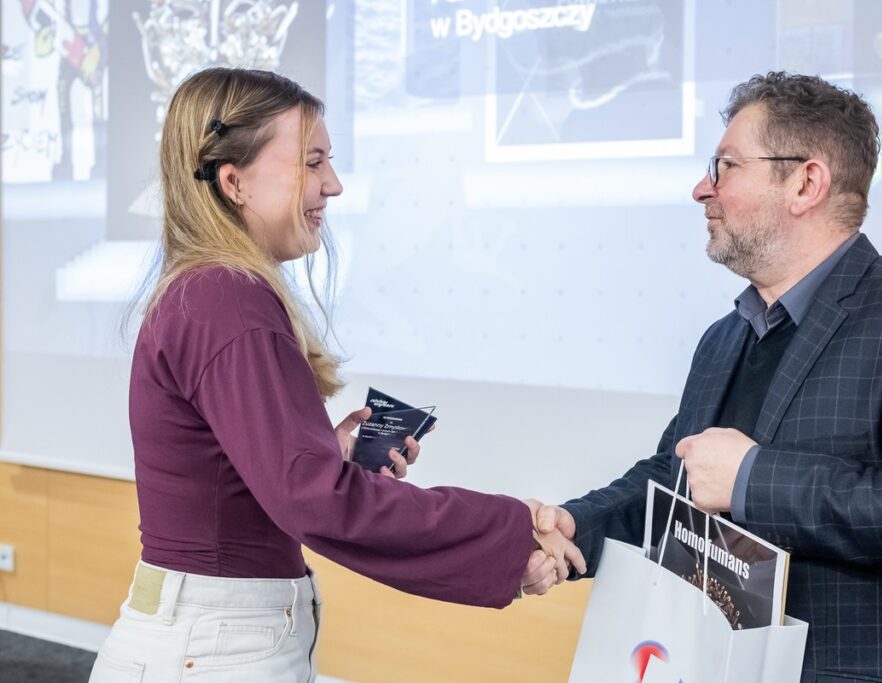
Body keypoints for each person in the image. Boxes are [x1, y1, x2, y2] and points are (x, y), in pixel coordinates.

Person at [89, 67, 583, 683]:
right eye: (312, 162)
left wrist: (328, 451)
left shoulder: (207, 292)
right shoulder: (228, 299)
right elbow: (314, 500)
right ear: (234, 180)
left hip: (210, 640)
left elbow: (251, 477)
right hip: (213, 651)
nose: (335, 184)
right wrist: (509, 534)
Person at [524, 72, 882, 682]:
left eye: (725, 165)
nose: (701, 189)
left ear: (806, 182)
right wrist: (576, 527)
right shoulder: (723, 337)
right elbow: (680, 477)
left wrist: (754, 480)